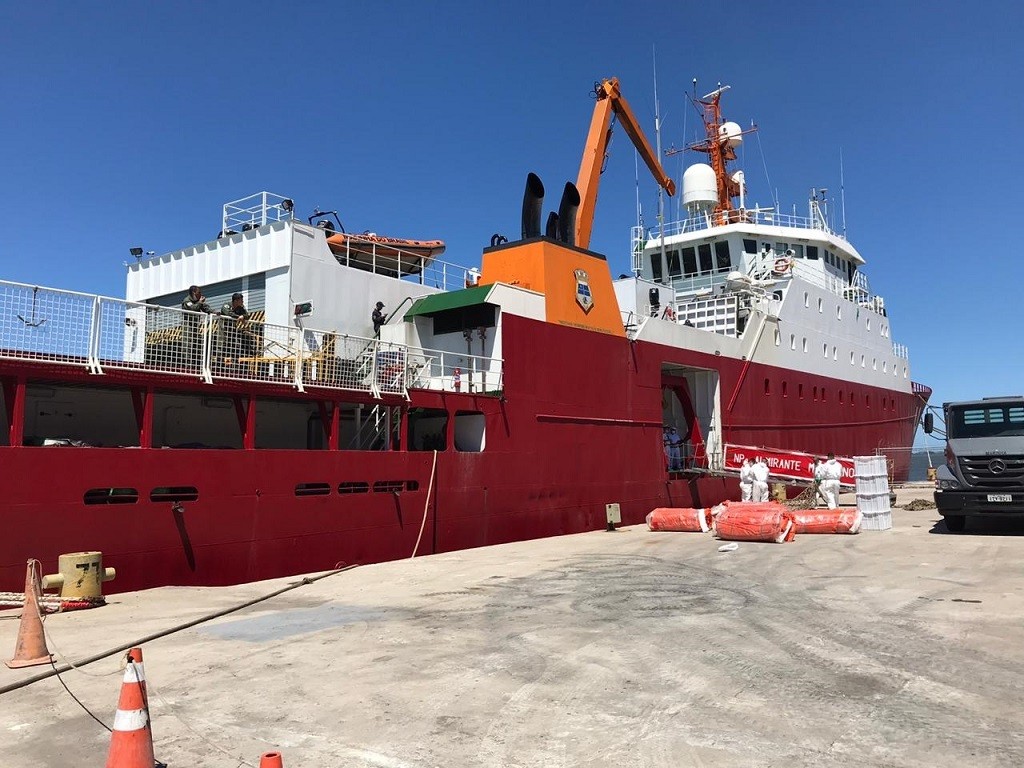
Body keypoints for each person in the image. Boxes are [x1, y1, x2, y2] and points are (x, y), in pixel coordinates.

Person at [180, 285, 211, 368]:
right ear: (194, 292)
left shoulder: (198, 301)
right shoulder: (187, 301)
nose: (201, 294)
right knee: (187, 343)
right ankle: (187, 363)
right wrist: (200, 302)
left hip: (195, 325)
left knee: (196, 343)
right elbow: (193, 309)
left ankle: (195, 363)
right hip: (188, 325)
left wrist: (214, 312)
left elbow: (206, 308)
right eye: (199, 292)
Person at [219, 292, 255, 363]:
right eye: (241, 300)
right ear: (235, 301)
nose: (242, 302)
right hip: (223, 328)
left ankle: (235, 363)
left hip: (232, 329)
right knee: (222, 345)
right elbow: (228, 313)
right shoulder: (226, 305)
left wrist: (243, 316)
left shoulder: (240, 307)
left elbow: (247, 315)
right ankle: (219, 363)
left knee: (235, 345)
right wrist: (239, 317)